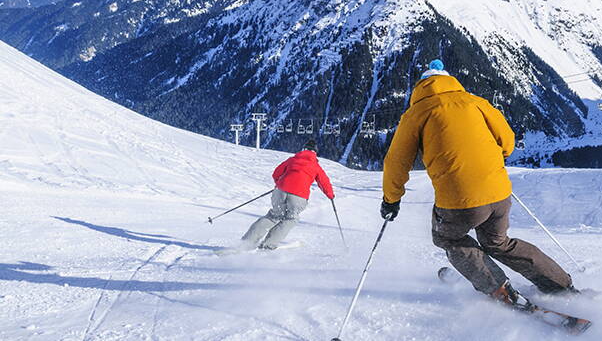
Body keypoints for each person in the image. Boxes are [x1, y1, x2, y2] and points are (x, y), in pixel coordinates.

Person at [381, 59, 576, 304]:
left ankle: (498, 289)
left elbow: (396, 163)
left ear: (421, 87)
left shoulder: (416, 113)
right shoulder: (476, 102)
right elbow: (507, 141)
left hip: (459, 200)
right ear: (450, 81)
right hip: (499, 193)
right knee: (498, 243)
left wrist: (391, 200)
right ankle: (560, 284)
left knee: (448, 237)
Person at [237, 139, 335, 250]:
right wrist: (330, 195)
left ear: (303, 149)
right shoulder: (315, 166)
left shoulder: (292, 160)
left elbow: (276, 173)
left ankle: (246, 242)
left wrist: (280, 185)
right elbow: (324, 182)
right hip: (299, 196)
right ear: (315, 153)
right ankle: (268, 245)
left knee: (273, 216)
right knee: (290, 219)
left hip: (280, 192)